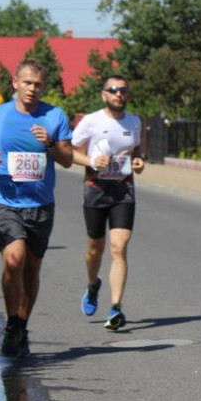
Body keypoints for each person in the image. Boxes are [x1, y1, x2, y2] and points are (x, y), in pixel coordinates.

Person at [0, 61, 73, 358]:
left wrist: (51, 143)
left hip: (40, 205)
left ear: (44, 86)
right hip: (5, 200)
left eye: (38, 84)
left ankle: (22, 324)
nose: (32, 89)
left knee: (31, 269)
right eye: (27, 83)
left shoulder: (55, 116)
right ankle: (13, 323)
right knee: (13, 261)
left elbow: (67, 159)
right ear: (15, 82)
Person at [71, 75, 145, 331]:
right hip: (95, 190)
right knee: (95, 249)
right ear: (104, 94)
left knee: (119, 246)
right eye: (113, 90)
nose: (118, 94)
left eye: (123, 90)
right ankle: (93, 285)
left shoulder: (134, 122)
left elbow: (136, 151)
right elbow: (69, 150)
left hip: (123, 189)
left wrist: (139, 162)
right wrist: (91, 161)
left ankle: (115, 308)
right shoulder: (91, 121)